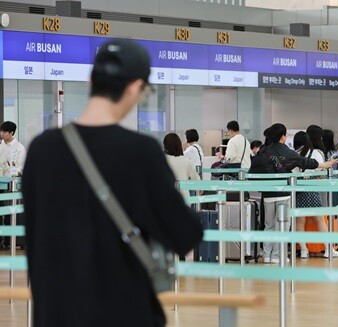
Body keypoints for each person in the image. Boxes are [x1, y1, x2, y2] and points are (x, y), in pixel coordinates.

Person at [22, 39, 203, 327]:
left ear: (91, 79)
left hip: (55, 314)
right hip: (122, 311)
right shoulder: (140, 151)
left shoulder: (42, 149)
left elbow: (33, 234)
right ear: (135, 88)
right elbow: (185, 234)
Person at [249, 123, 338, 264]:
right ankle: (278, 256)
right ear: (283, 137)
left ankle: (267, 254)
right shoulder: (287, 152)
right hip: (283, 194)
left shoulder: (263, 152)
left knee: (269, 225)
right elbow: (305, 162)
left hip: (267, 195)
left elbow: (252, 171)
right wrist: (325, 164)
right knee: (282, 225)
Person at [293, 128, 338, 259]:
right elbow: (321, 171)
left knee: (300, 221)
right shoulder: (316, 152)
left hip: (298, 188)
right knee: (319, 219)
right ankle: (328, 249)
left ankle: (303, 250)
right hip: (312, 188)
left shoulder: (297, 152)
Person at [163, 133, 201, 199]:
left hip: (165, 198)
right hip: (183, 199)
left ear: (165, 146)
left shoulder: (162, 160)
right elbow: (197, 179)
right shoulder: (186, 161)